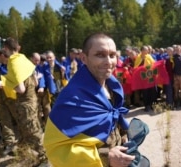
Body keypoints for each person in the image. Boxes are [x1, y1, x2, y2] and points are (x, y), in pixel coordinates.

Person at [44, 33, 135, 167]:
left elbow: (113, 121)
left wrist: (122, 136)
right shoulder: (72, 98)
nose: (108, 61)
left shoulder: (113, 87)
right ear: (84, 58)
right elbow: (57, 148)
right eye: (100, 55)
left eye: (112, 55)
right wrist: (106, 156)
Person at [0, 38, 48, 166]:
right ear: (18, 47)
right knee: (25, 132)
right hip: (32, 101)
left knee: (33, 132)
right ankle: (25, 155)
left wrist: (4, 84)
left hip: (24, 105)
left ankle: (45, 159)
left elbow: (20, 89)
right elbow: (36, 82)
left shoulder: (13, 63)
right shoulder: (24, 59)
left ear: (6, 48)